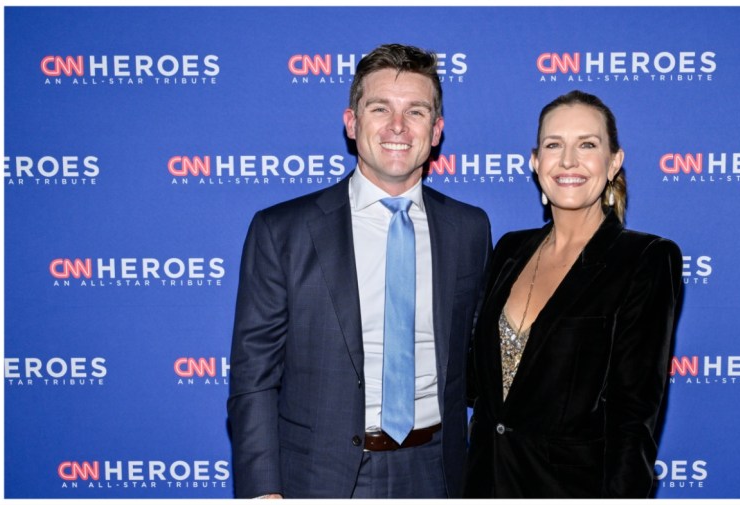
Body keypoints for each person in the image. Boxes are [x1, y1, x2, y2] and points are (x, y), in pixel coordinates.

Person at [227, 43, 492, 499]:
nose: (397, 126)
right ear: (352, 123)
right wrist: (262, 490)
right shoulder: (283, 230)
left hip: (438, 472)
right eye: (379, 108)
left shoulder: (469, 228)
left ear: (436, 131)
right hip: (318, 477)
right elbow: (254, 376)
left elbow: (477, 360)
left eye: (416, 112)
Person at [464, 90, 682, 498]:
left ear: (614, 161)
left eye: (587, 145)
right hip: (484, 483)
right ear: (535, 161)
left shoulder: (645, 260)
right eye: (553, 145)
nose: (568, 161)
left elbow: (633, 419)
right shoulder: (510, 249)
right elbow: (480, 384)